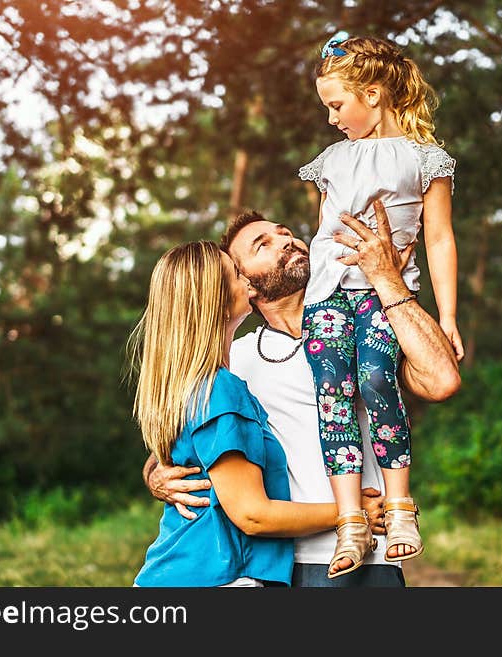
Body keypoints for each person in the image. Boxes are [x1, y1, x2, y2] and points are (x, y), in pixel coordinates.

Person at [143, 202, 461, 587]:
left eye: (285, 232)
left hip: (370, 556)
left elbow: (441, 380)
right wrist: (155, 474)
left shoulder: (364, 332)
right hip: (276, 565)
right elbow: (183, 445)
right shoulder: (233, 362)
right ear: (243, 281)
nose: (286, 240)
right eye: (262, 244)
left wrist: (386, 279)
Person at [295, 31, 462, 577]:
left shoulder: (425, 159)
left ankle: (399, 505)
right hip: (327, 295)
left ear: (373, 93)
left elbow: (438, 239)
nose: (332, 118)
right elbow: (323, 235)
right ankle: (350, 522)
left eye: (337, 105)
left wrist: (447, 315)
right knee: (333, 393)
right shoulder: (330, 160)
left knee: (374, 379)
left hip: (384, 295)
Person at [129, 241, 361, 587]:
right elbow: (253, 514)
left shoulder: (191, 387)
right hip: (213, 578)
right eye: (237, 275)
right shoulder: (220, 389)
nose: (249, 282)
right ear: (216, 303)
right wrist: (351, 514)